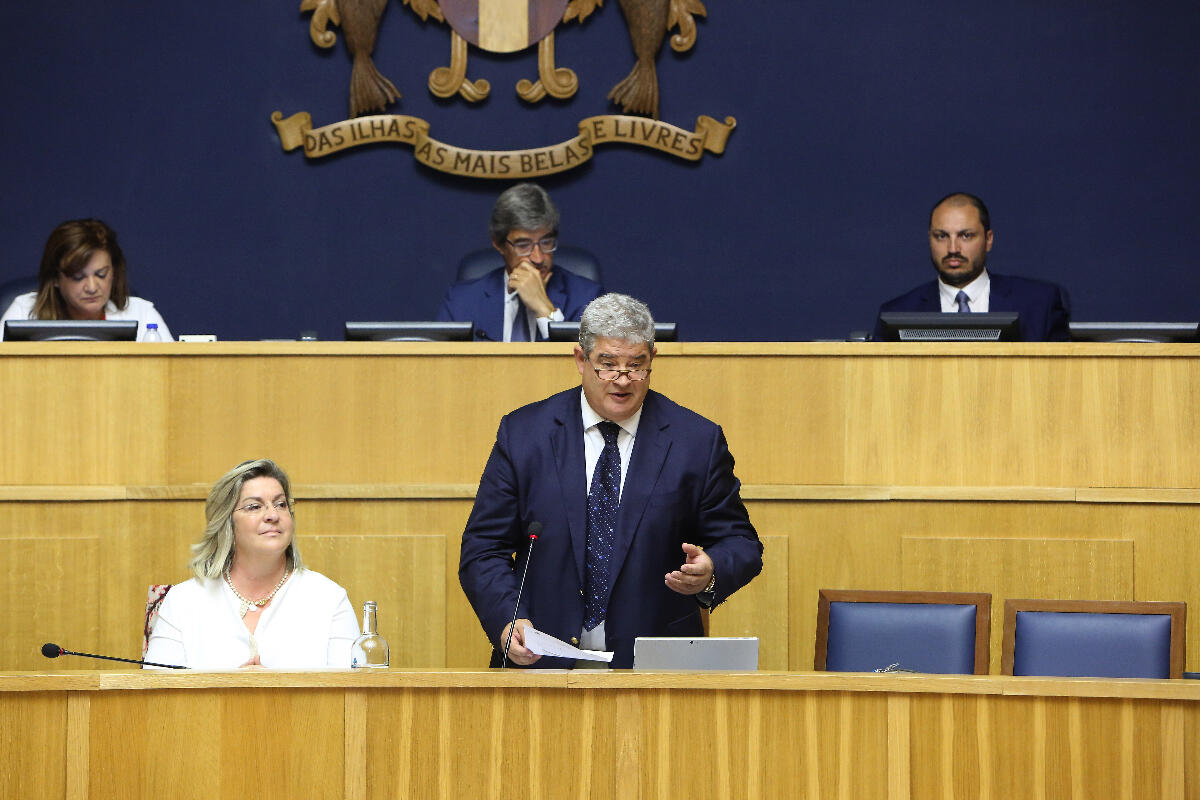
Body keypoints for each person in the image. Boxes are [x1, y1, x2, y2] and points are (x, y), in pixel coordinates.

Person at [458, 293, 763, 669]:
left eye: (636, 366)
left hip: (653, 667)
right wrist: (506, 621)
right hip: (540, 660)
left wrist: (712, 569)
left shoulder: (695, 441)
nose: (623, 380)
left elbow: (742, 543)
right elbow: (483, 548)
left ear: (652, 361)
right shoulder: (525, 434)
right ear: (580, 360)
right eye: (607, 364)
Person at [144, 459, 358, 669]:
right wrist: (234, 691)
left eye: (281, 504)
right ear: (226, 522)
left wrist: (275, 692)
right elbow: (159, 698)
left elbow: (352, 696)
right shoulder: (183, 602)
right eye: (254, 506)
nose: (273, 515)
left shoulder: (329, 599)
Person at [872, 193, 1070, 341]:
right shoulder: (899, 314)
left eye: (966, 236)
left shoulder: (1038, 304)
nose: (953, 248)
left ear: (988, 240)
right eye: (942, 236)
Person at [436, 183, 604, 341]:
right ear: (499, 244)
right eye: (523, 245)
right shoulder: (461, 301)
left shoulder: (588, 299)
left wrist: (545, 311)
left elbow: (586, 367)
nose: (538, 258)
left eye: (546, 242)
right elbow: (441, 367)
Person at [0, 218, 172, 341]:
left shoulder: (142, 315)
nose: (91, 287)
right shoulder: (24, 312)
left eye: (101, 274)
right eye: (78, 277)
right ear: (55, 278)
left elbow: (170, 378)